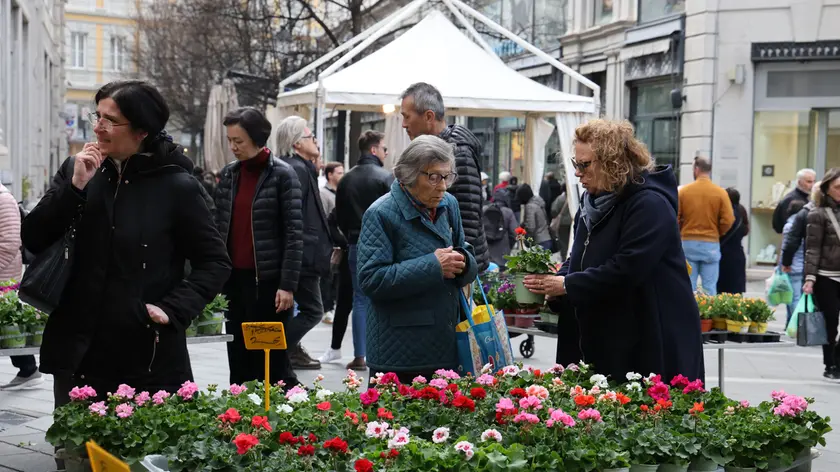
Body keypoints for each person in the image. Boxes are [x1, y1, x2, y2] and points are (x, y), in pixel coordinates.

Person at [22, 80, 231, 405]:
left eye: (111, 120)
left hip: (146, 351)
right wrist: (75, 187)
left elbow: (215, 262)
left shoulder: (177, 185)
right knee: (76, 451)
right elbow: (33, 238)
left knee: (138, 453)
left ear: (142, 130)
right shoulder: (76, 170)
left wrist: (171, 309)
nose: (97, 126)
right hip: (79, 351)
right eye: (98, 115)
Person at [523, 119, 703, 383]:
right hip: (605, 334)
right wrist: (556, 283)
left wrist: (567, 284)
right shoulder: (592, 199)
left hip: (646, 335)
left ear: (613, 163)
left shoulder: (649, 204)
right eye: (576, 164)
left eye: (584, 165)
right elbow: (579, 256)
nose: (577, 173)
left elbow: (627, 268)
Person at [358, 135, 478, 382]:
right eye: (434, 177)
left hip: (447, 342)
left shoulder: (449, 204)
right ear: (409, 175)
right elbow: (371, 279)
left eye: (447, 176)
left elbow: (465, 250)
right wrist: (434, 266)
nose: (443, 186)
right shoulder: (380, 214)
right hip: (400, 350)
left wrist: (465, 262)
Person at [213, 107, 303, 387]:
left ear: (257, 138)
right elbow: (219, 226)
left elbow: (294, 234)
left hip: (268, 283)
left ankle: (274, 416)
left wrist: (287, 284)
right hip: (234, 281)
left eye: (238, 141)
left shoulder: (283, 176)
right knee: (237, 353)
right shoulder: (229, 175)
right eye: (230, 140)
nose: (233, 147)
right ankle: (239, 412)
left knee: (269, 357)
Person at [321, 130, 393, 371]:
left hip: (355, 243)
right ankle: (382, 350)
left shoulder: (347, 180)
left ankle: (360, 355)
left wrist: (345, 240)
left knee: (359, 299)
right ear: (373, 150)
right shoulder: (385, 177)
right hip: (383, 244)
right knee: (383, 297)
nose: (386, 152)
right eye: (384, 148)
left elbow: (336, 217)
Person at [400, 82, 489, 272]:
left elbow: (468, 216)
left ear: (429, 116)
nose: (403, 124)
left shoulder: (457, 152)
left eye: (407, 117)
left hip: (454, 266)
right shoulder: (435, 150)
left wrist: (461, 262)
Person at [277, 116, 333, 370]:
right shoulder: (297, 169)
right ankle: (281, 350)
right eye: (311, 137)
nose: (316, 142)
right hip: (303, 255)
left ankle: (288, 353)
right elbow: (294, 218)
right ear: (297, 143)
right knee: (313, 310)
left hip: (303, 253)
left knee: (295, 310)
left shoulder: (297, 167)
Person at [0, 183, 41, 390]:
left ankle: (28, 369)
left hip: (3, 275)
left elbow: (9, 242)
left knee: (7, 320)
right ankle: (28, 369)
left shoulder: (3, 199)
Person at [803, 169, 840, 382]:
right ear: (826, 188)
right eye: (837, 187)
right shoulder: (817, 214)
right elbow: (813, 248)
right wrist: (810, 277)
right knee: (830, 322)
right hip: (827, 276)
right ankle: (830, 363)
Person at [678, 156, 734, 295]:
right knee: (709, 287)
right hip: (711, 243)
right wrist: (717, 232)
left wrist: (682, 231)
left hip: (688, 242)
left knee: (688, 286)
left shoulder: (684, 192)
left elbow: (676, 217)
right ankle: (708, 315)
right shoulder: (720, 193)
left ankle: (688, 315)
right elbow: (728, 219)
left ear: (696, 169)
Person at [781, 184, 820, 326]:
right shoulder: (807, 214)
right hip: (807, 264)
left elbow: (791, 243)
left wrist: (785, 262)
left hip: (801, 264)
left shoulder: (803, 215)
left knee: (796, 296)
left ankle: (797, 323)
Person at [319, 161, 344, 324]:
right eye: (339, 173)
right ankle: (327, 308)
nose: (342, 175)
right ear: (330, 175)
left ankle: (332, 306)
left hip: (341, 241)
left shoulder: (341, 192)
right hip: (330, 242)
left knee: (337, 277)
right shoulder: (324, 194)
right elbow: (323, 219)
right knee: (328, 276)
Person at [716, 188, 750, 295]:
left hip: (723, 253)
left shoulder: (724, 213)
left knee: (721, 288)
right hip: (738, 254)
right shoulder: (742, 211)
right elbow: (745, 230)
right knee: (736, 290)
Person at [773, 168, 816, 234]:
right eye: (809, 182)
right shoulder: (790, 199)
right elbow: (786, 225)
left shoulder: (807, 198)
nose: (813, 185)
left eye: (814, 181)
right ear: (799, 182)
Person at [482, 197, 517, 270]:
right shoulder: (508, 212)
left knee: (487, 278)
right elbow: (514, 233)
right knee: (503, 279)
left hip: (487, 255)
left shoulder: (484, 209)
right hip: (503, 255)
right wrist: (508, 247)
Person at [516, 183, 553, 251]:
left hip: (538, 240)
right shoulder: (538, 203)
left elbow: (531, 227)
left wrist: (525, 237)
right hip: (545, 238)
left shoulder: (530, 207)